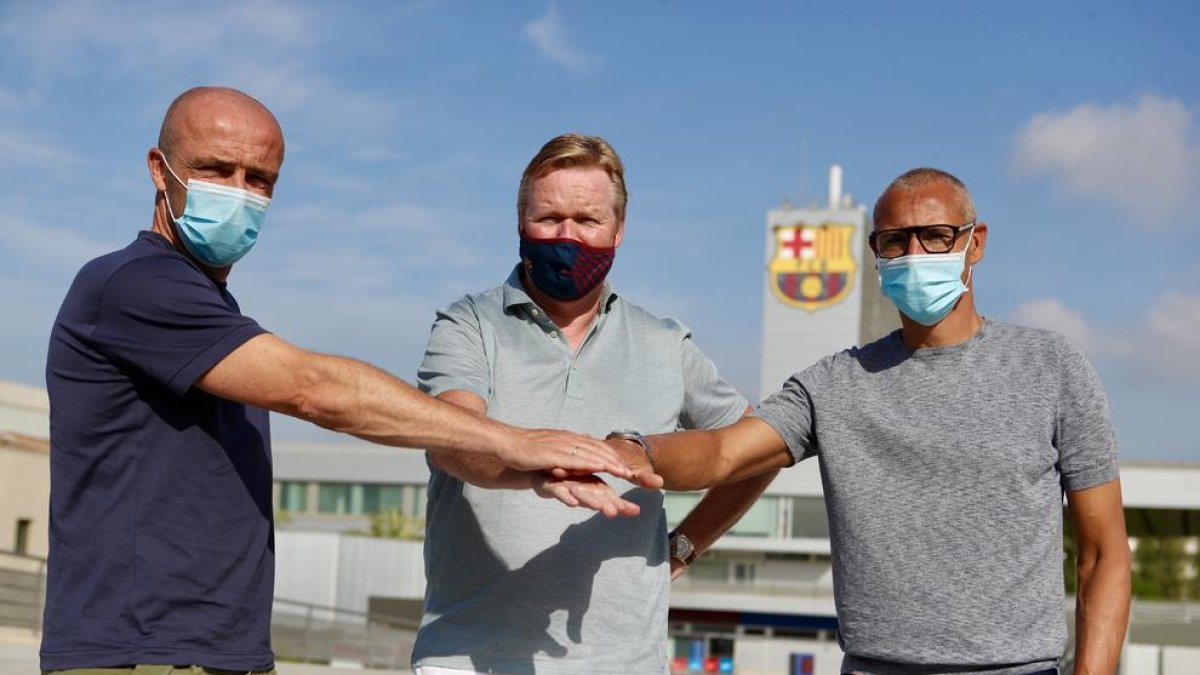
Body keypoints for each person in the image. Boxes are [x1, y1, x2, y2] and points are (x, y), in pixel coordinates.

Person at [41, 88, 646, 675]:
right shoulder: (133, 284)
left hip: (220, 652)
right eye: (215, 169)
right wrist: (514, 440)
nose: (238, 192)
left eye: (259, 179)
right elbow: (317, 391)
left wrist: (528, 471)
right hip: (139, 652)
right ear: (159, 168)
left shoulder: (212, 309)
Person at [608, 168, 1132, 675]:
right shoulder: (834, 384)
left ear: (975, 243)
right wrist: (635, 451)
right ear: (876, 255)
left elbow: (1104, 553)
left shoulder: (1052, 368)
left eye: (936, 236)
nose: (915, 255)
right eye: (895, 242)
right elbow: (724, 452)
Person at [410, 133, 777, 675]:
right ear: (520, 223)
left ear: (618, 229)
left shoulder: (666, 343)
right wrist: (532, 467)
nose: (568, 237)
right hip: (467, 658)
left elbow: (760, 447)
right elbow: (453, 439)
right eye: (549, 218)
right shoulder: (468, 325)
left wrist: (686, 545)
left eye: (587, 220)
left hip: (626, 662)